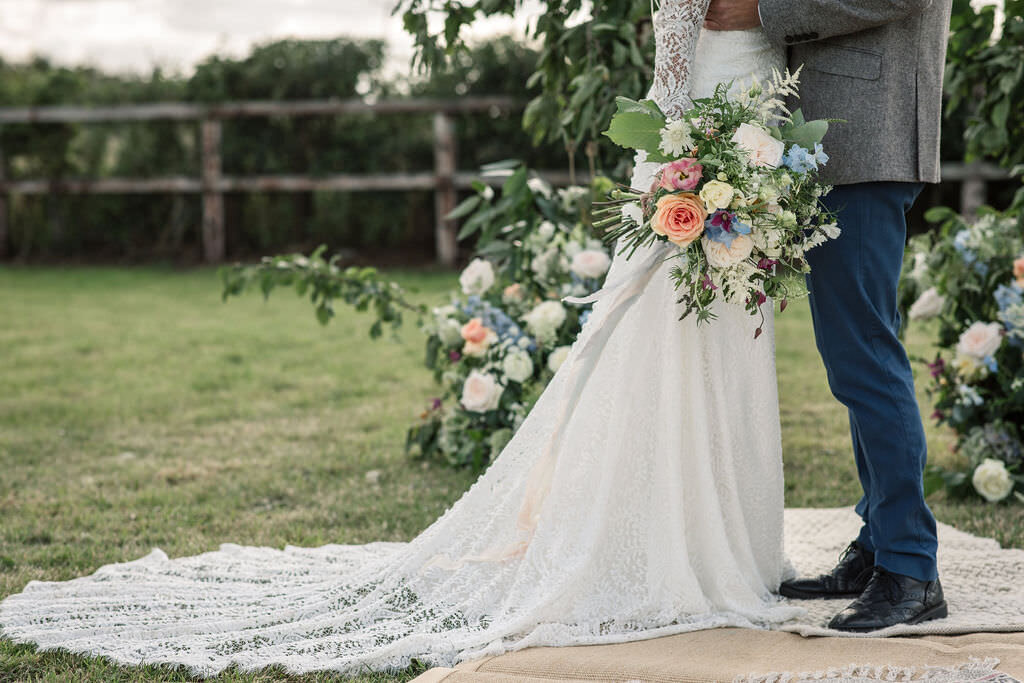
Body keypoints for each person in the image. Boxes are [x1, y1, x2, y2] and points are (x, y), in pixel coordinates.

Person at [704, 0, 953, 632]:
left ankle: (911, 568)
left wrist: (764, 13)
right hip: (837, 141)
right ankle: (879, 546)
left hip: (867, 136)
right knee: (855, 358)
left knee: (865, 357)